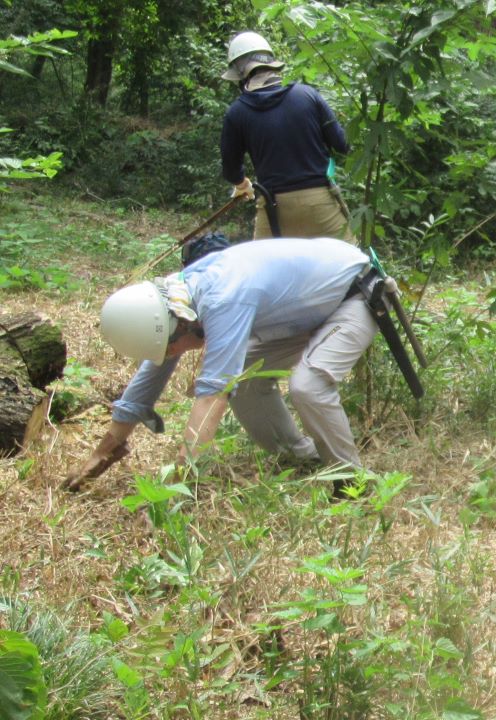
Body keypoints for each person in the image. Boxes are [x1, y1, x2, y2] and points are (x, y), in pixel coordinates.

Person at [62, 239, 378, 493]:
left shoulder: (223, 299)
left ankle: (352, 482)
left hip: (355, 296)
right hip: (303, 311)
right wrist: (102, 453)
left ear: (180, 329)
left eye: (170, 347)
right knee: (246, 379)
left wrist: (176, 489)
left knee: (307, 386)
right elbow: (148, 380)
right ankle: (301, 457)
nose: (172, 353)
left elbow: (213, 395)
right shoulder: (176, 299)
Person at [219, 31, 352, 241]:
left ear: (241, 74)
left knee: (262, 273)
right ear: (271, 63)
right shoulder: (308, 95)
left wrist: (242, 184)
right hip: (321, 203)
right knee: (356, 267)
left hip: (274, 208)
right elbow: (342, 144)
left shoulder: (237, 113)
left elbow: (230, 169)